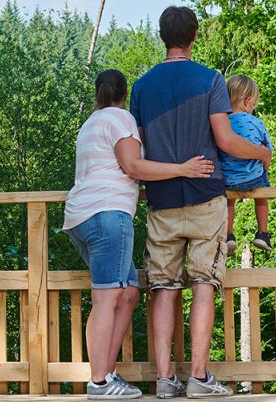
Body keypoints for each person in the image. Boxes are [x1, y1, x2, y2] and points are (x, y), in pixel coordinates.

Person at [128, 7, 272, 399]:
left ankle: (163, 378)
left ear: (162, 36)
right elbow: (225, 141)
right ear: (194, 36)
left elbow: (137, 148)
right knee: (204, 282)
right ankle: (198, 377)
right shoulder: (210, 79)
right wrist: (260, 153)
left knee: (163, 287)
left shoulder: (141, 87)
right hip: (207, 195)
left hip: (160, 200)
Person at [65, 69, 215, 400]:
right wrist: (182, 169)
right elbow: (133, 166)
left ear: (98, 93)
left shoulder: (91, 123)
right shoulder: (121, 119)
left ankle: (106, 373)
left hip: (80, 216)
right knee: (106, 299)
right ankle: (99, 383)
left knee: (129, 292)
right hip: (107, 214)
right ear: (124, 94)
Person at [219, 74, 273, 253]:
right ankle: (262, 233)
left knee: (229, 202)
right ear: (247, 101)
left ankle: (228, 235)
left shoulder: (222, 123)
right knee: (262, 196)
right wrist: (264, 172)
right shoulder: (257, 123)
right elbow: (267, 153)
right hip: (254, 178)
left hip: (228, 179)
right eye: (254, 103)